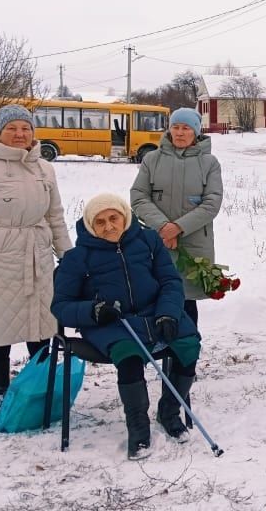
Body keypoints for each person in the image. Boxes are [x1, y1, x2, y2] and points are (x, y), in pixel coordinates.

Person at [52, 194, 200, 460]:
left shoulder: (148, 241)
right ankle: (138, 429)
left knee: (188, 346)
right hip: (112, 323)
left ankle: (169, 412)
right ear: (90, 226)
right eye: (100, 222)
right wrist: (94, 311)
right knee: (129, 357)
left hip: (154, 314)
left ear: (124, 217)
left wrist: (167, 314)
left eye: (113, 218)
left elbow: (170, 281)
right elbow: (61, 305)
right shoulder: (77, 258)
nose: (109, 226)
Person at [0, 105, 72, 408]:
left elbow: (55, 215)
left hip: (38, 252)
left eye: (26, 128)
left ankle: (39, 378)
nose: (20, 134)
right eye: (12, 128)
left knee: (41, 318)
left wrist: (68, 255)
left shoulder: (44, 168)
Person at [130, 107, 223, 329]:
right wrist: (163, 228)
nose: (180, 133)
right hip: (157, 241)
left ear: (196, 132)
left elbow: (212, 203)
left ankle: (186, 357)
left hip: (193, 244)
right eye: (175, 127)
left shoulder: (209, 163)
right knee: (156, 297)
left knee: (186, 301)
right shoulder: (152, 159)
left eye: (186, 128)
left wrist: (178, 228)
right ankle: (160, 350)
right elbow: (138, 197)